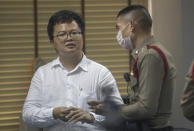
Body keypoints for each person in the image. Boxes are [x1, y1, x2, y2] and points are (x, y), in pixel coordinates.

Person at [22, 10, 123, 131]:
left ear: (82, 36)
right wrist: (53, 113)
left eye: (74, 33)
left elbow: (119, 116)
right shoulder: (42, 74)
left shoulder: (101, 73)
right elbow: (27, 114)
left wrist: (91, 117)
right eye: (62, 34)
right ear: (52, 41)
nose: (69, 38)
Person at [88, 5, 176, 131]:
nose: (118, 34)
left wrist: (112, 111)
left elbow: (145, 108)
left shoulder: (150, 55)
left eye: (118, 28)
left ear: (131, 26)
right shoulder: (144, 54)